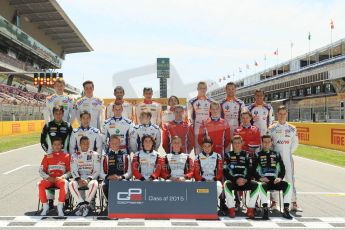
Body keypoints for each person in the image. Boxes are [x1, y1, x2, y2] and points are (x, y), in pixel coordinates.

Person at [253, 135, 293, 219]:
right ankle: (265, 209)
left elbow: (282, 169)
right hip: (264, 181)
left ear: (271, 143)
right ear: (262, 143)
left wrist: (280, 178)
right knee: (261, 185)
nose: (266, 144)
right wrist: (259, 178)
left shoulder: (277, 154)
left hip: (275, 181)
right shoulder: (257, 155)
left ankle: (286, 210)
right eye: (264, 142)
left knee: (288, 185)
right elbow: (252, 170)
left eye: (268, 142)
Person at [268, 105, 300, 211]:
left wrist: (288, 153)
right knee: (274, 179)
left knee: (290, 179)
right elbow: (269, 144)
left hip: (287, 158)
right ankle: (274, 202)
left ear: (287, 114)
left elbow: (295, 144)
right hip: (275, 159)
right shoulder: (271, 128)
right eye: (280, 114)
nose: (282, 116)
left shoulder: (292, 128)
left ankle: (293, 202)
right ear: (277, 114)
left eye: (284, 114)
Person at [223, 135, 259, 219]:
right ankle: (231, 209)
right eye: (235, 143)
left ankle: (250, 209)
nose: (237, 145)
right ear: (232, 144)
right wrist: (235, 179)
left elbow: (251, 170)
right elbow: (225, 171)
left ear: (242, 143)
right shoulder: (227, 155)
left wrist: (245, 179)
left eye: (239, 143)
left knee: (256, 185)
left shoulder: (247, 155)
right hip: (233, 181)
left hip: (245, 181)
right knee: (226, 184)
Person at [38, 137, 71, 217]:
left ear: (62, 146)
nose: (57, 146)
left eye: (59, 144)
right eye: (55, 145)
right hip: (50, 179)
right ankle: (45, 206)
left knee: (64, 183)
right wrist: (48, 178)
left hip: (60, 180)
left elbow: (70, 171)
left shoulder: (67, 156)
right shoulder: (47, 156)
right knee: (40, 184)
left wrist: (62, 177)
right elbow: (41, 170)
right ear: (52, 146)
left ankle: (60, 206)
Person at [69, 136, 100, 217]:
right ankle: (82, 204)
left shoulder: (95, 154)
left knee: (95, 184)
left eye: (87, 143)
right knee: (71, 184)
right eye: (83, 143)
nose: (85, 145)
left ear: (89, 144)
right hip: (79, 178)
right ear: (80, 144)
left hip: (90, 178)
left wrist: (88, 179)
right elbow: (73, 170)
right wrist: (79, 180)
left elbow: (97, 170)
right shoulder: (74, 155)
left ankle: (85, 204)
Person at [193, 137, 223, 208]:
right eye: (205, 146)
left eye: (209, 146)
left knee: (219, 186)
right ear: (202, 146)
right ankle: (203, 205)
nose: (207, 148)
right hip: (202, 180)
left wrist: (214, 179)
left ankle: (213, 204)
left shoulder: (217, 156)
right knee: (199, 186)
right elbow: (196, 174)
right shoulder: (197, 157)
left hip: (214, 180)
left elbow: (220, 172)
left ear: (212, 146)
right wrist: (203, 179)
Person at [100, 135, 132, 199]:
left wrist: (121, 177)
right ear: (109, 144)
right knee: (105, 186)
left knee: (125, 183)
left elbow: (130, 173)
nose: (114, 145)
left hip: (122, 178)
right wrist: (108, 177)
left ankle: (123, 203)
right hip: (109, 179)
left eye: (116, 143)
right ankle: (109, 204)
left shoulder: (126, 156)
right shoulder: (105, 157)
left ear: (120, 143)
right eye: (112, 143)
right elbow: (101, 173)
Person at [188, 81, 212, 154]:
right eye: (201, 88)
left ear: (206, 89)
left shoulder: (210, 101)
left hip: (208, 128)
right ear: (197, 89)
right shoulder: (191, 101)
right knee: (198, 150)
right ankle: (197, 164)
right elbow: (189, 117)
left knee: (208, 148)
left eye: (204, 88)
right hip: (197, 128)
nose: (202, 90)